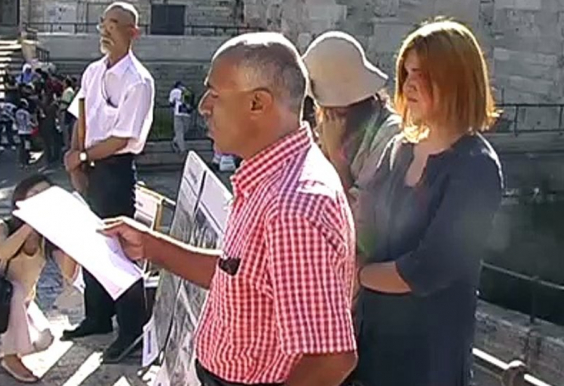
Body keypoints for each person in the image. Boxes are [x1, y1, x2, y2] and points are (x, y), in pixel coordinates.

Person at [101, 32, 357, 386]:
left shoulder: (293, 205)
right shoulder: (271, 175)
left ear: (258, 104)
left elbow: (331, 359)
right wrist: (151, 246)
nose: (203, 105)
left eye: (215, 94)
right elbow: (239, 275)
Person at [350, 19, 504, 386]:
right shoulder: (400, 148)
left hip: (425, 359)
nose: (409, 84)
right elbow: (368, 218)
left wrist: (357, 275)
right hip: (372, 343)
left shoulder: (475, 167)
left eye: (423, 73)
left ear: (455, 80)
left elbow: (428, 269)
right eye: (406, 73)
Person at [63, 2, 154, 362]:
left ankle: (131, 327)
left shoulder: (138, 80)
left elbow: (122, 137)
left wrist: (83, 158)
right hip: (90, 165)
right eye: (104, 22)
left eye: (115, 24)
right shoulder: (92, 72)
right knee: (91, 244)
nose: (106, 29)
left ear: (133, 33)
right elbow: (81, 114)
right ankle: (97, 316)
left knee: (117, 249)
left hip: (115, 170)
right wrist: (75, 159)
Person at [0, 174, 78, 383]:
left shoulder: (47, 238)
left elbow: (68, 273)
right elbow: (3, 252)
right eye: (35, 194)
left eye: (45, 196)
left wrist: (71, 240)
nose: (40, 200)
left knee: (45, 339)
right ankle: (11, 358)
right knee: (15, 291)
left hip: (25, 302)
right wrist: (29, 224)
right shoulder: (3, 225)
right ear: (22, 197)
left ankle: (12, 350)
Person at [302, 31, 400, 220]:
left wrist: (336, 156)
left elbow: (358, 217)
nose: (321, 111)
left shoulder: (389, 135)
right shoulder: (331, 124)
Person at [38, 90, 61, 166]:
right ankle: (52, 158)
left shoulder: (46, 107)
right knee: (51, 144)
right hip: (49, 127)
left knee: (50, 144)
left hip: (48, 127)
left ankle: (51, 158)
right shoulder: (52, 107)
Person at [168, 81, 191, 153]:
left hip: (178, 113)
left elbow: (171, 102)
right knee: (184, 130)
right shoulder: (187, 91)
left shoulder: (174, 91)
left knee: (179, 131)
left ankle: (182, 149)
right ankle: (178, 144)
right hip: (187, 113)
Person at [16, 99, 35, 167]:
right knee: (27, 146)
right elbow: (28, 123)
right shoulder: (26, 113)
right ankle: (26, 161)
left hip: (20, 131)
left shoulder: (17, 112)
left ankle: (21, 161)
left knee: (21, 146)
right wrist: (34, 125)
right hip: (27, 132)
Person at [59, 77, 77, 150]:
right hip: (63, 111)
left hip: (66, 112)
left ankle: (68, 146)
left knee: (66, 130)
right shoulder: (65, 91)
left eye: (64, 82)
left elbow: (68, 102)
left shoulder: (69, 91)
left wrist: (60, 101)